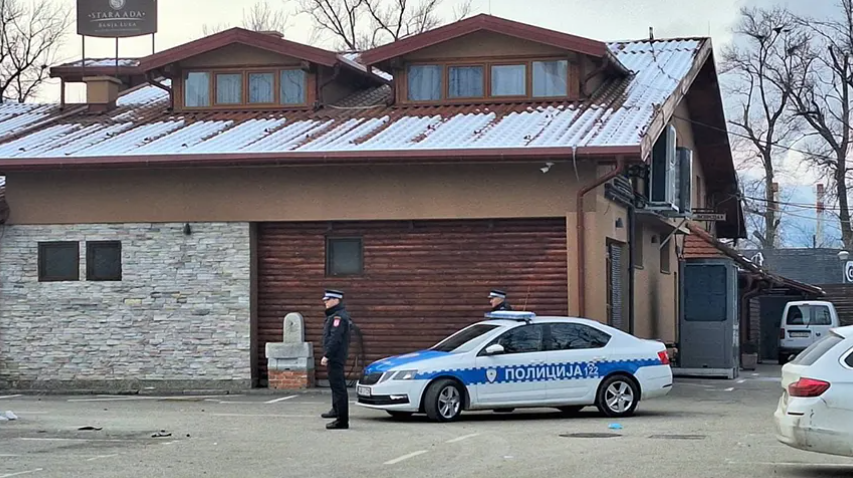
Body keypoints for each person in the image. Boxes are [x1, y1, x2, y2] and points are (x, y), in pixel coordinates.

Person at [320, 288, 352, 430]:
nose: (325, 302)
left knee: (339, 388)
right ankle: (336, 410)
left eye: (328, 300)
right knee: (335, 386)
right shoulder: (335, 315)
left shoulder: (338, 318)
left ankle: (342, 420)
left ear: (336, 300)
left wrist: (327, 355)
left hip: (335, 357)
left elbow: (335, 338)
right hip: (336, 356)